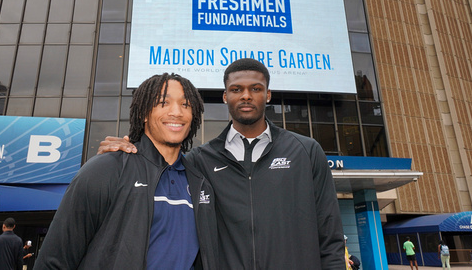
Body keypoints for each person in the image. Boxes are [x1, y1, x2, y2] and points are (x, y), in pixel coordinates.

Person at [100, 58, 346, 269]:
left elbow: (330, 235)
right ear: (226, 96)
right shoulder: (199, 160)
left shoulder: (306, 151)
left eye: (256, 89)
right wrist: (127, 150)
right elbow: (160, 169)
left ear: (268, 95)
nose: (246, 95)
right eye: (237, 89)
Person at [34, 73, 218, 269]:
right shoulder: (106, 168)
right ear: (143, 114)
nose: (177, 112)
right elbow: (54, 261)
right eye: (163, 103)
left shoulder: (201, 182)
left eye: (185, 104)